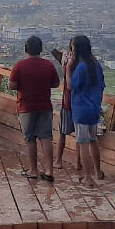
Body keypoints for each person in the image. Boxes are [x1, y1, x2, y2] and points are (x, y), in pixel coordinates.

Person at [9, 35, 61, 181]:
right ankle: (49, 170)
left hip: (26, 106)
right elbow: (56, 83)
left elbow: (12, 85)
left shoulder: (20, 65)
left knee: (30, 138)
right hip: (45, 105)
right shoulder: (48, 65)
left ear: (26, 49)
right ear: (40, 49)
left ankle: (33, 170)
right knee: (46, 137)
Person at [69, 35, 105, 183]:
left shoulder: (81, 67)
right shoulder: (96, 65)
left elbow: (71, 86)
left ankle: (88, 177)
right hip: (94, 109)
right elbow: (102, 85)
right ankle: (97, 172)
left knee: (82, 143)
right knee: (93, 140)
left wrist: (68, 68)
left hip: (81, 109)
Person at [51, 40, 81, 172]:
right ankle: (77, 163)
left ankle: (58, 160)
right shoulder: (82, 63)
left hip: (69, 101)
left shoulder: (68, 61)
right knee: (79, 135)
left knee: (63, 132)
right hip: (78, 103)